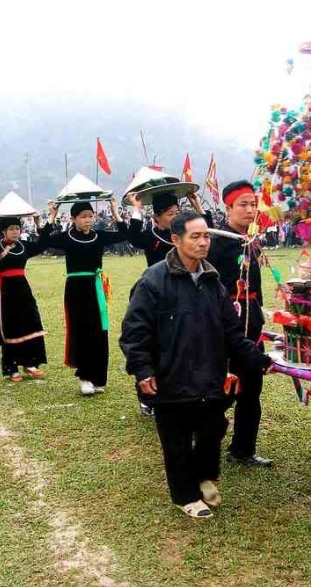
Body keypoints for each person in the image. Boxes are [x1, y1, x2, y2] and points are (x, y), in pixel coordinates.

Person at [120, 211, 271, 519]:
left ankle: (203, 476)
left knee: (213, 429)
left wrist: (260, 359)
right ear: (176, 240)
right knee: (175, 441)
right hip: (170, 375)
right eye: (196, 237)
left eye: (206, 237)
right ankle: (185, 496)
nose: (203, 243)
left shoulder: (213, 281)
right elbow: (135, 331)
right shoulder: (153, 280)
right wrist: (143, 369)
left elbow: (232, 332)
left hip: (210, 374)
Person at [206, 181, 273, 468]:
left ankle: (243, 450)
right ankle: (199, 440)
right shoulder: (216, 242)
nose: (249, 210)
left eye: (252, 204)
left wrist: (257, 314)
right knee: (222, 390)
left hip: (251, 324)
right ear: (228, 207)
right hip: (225, 328)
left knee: (251, 389)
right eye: (242, 204)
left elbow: (254, 286)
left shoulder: (250, 240)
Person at [126, 190, 209, 417]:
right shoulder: (151, 236)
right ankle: (147, 397)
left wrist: (196, 203)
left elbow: (206, 229)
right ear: (157, 218)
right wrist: (136, 207)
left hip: (186, 296)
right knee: (154, 347)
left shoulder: (187, 236)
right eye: (170, 214)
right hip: (157, 296)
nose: (175, 217)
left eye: (178, 212)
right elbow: (133, 236)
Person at [38, 197, 128, 395]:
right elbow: (43, 241)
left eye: (90, 216)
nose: (88, 220)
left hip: (96, 287)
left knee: (99, 331)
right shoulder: (67, 237)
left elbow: (125, 234)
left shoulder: (99, 236)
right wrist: (52, 216)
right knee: (82, 330)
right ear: (73, 219)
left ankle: (97, 378)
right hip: (76, 288)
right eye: (83, 217)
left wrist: (114, 210)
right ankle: (84, 377)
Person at [0, 215, 47, 381]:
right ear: (3, 231)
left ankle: (30, 363)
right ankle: (11, 368)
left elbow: (43, 244)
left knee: (31, 323)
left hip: (23, 289)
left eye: (17, 228)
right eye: (11, 229)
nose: (15, 232)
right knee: (11, 327)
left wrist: (38, 223)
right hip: (5, 292)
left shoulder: (24, 246)